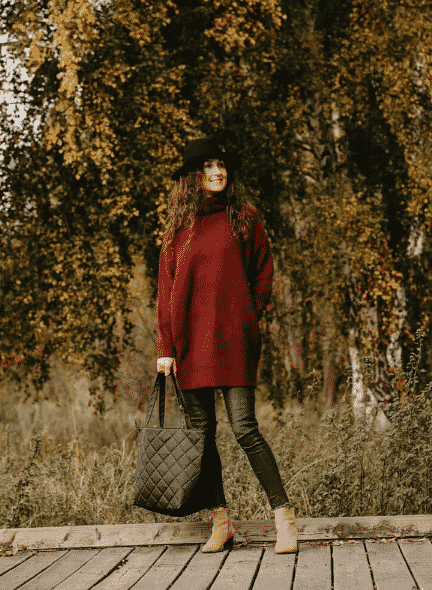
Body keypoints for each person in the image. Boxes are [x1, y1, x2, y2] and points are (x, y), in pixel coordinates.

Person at [156, 137, 297, 553]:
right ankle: (221, 522)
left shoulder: (244, 218)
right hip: (189, 346)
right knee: (202, 436)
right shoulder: (177, 230)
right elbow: (165, 293)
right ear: (192, 177)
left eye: (221, 165)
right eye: (207, 166)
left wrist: (249, 319)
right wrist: (166, 347)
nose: (217, 172)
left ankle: (284, 519)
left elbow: (264, 272)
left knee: (245, 429)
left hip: (234, 340)